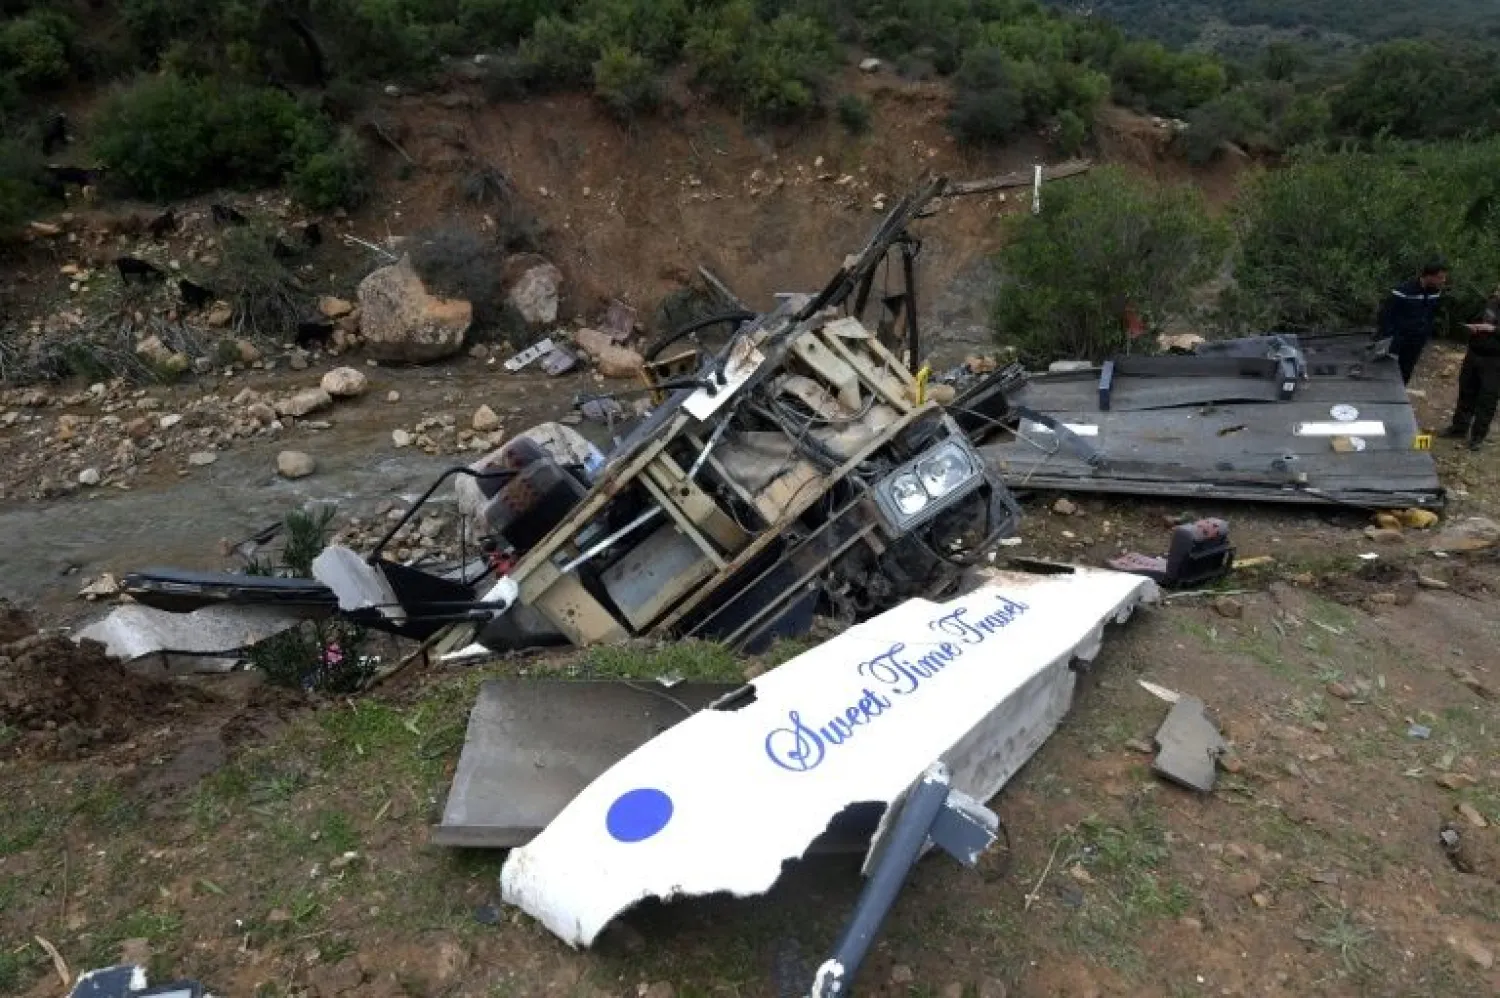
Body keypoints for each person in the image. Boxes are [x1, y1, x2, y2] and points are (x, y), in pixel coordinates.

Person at [1441, 290, 1500, 450]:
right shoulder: (1490, 303)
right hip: (1474, 353)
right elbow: (1473, 318)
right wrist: (1472, 327)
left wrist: (1493, 330)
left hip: (1495, 360)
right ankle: (1459, 428)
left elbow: (1491, 328)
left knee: (1487, 399)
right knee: (1466, 391)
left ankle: (1477, 437)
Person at [1379, 259, 1448, 384]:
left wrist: (1426, 332)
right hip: (1398, 341)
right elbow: (1386, 316)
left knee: (1406, 372)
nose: (1443, 281)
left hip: (1416, 342)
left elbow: (1432, 314)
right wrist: (1391, 338)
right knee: (1388, 374)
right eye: (1440, 277)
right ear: (1428, 276)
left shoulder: (1435, 292)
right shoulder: (1403, 291)